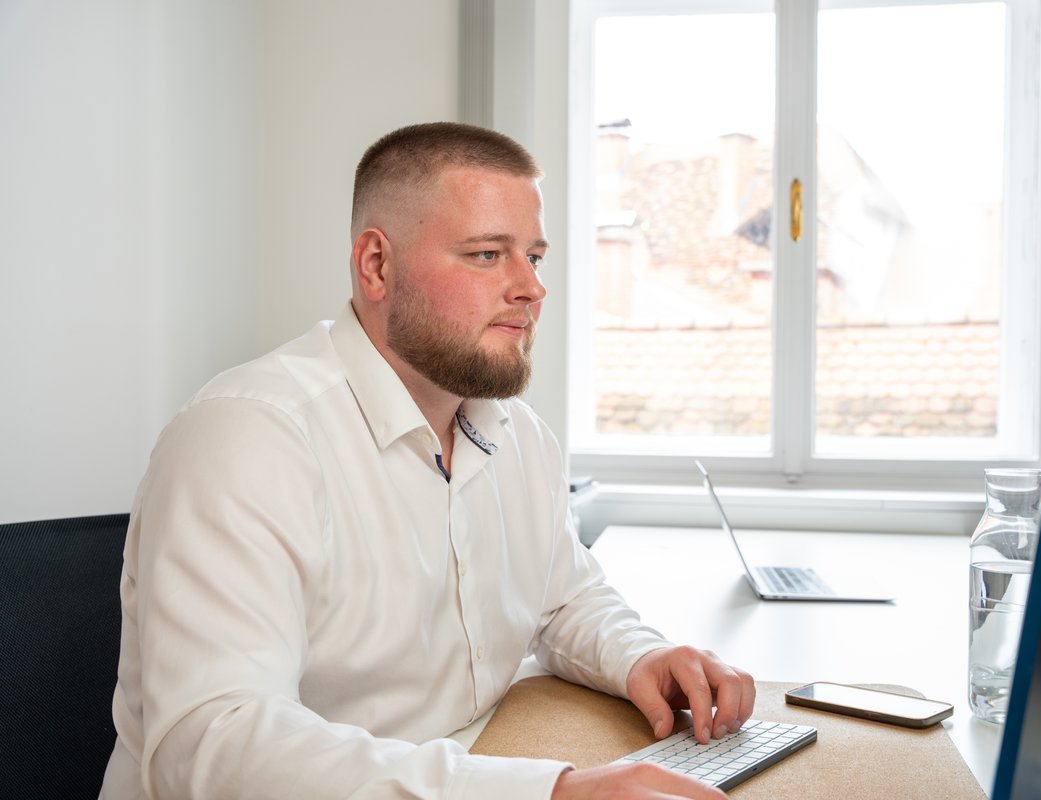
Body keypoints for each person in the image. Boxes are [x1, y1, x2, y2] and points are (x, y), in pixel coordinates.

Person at [99, 122, 755, 799]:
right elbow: (217, 743)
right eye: (485, 254)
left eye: (534, 255)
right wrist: (549, 793)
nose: (531, 288)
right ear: (376, 265)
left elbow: (562, 600)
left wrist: (642, 654)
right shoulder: (248, 437)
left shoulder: (518, 436)